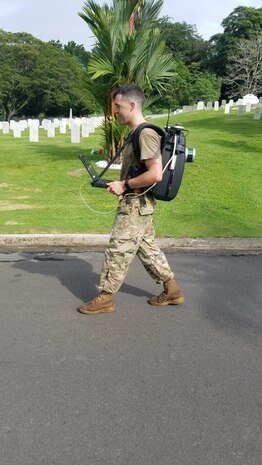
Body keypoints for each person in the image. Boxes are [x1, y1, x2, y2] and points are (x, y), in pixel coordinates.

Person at [78, 83, 184, 315]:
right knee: (147, 248)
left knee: (118, 249)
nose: (116, 111)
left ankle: (105, 298)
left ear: (132, 105)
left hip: (135, 204)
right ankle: (172, 290)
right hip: (139, 203)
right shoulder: (136, 133)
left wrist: (124, 185)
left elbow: (155, 174)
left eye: (118, 106)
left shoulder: (145, 134)